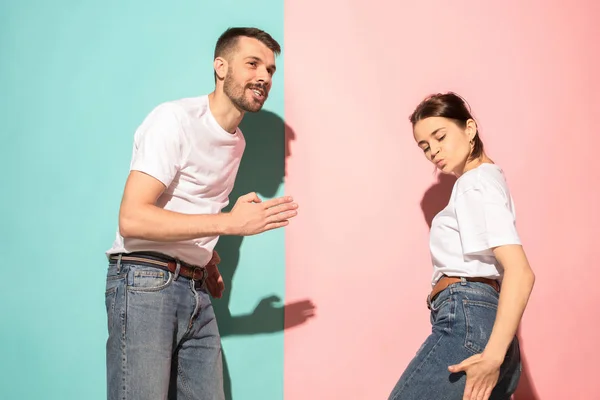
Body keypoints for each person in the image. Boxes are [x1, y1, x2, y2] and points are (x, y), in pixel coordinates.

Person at [104, 27, 298, 400]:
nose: (264, 77)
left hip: (194, 288)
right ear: (220, 66)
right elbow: (132, 218)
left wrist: (204, 255)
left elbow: (188, 204)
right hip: (146, 279)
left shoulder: (236, 142)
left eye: (271, 70)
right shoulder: (174, 119)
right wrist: (229, 224)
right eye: (253, 64)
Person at [388, 92, 535, 400]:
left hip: (470, 321)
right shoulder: (488, 180)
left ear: (469, 129)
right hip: (488, 326)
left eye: (440, 136)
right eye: (424, 146)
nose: (433, 151)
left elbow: (520, 272)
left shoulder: (475, 182)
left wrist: (493, 357)